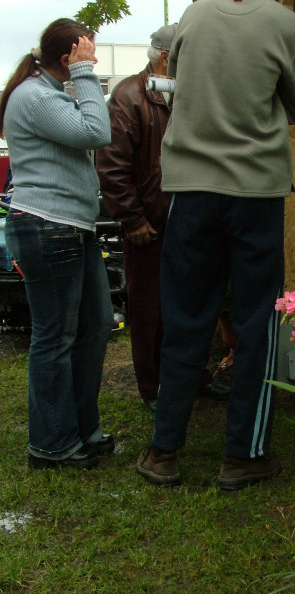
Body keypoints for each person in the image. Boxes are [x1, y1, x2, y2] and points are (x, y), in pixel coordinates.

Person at [136, 0, 295, 489]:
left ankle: (164, 451)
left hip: (191, 189)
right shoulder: (288, 27)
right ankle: (243, 455)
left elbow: (179, 81)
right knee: (257, 319)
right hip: (255, 193)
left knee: (186, 316)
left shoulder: (192, 17)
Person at [96, 24, 230, 412]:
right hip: (150, 225)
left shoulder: (189, 93)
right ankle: (154, 388)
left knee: (194, 305)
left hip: (191, 220)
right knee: (149, 311)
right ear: (167, 57)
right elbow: (112, 166)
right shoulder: (129, 96)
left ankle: (194, 376)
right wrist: (133, 219)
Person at [0, 18, 114, 469]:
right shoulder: (35, 96)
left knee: (95, 325)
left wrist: (79, 75)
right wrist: (84, 75)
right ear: (68, 58)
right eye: (87, 53)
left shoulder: (47, 93)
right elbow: (96, 132)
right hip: (47, 225)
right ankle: (51, 446)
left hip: (70, 227)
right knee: (55, 337)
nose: (93, 60)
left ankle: (81, 428)